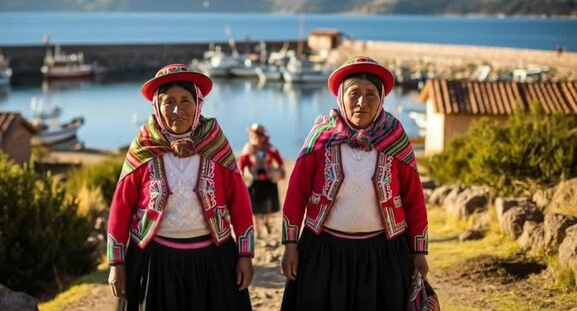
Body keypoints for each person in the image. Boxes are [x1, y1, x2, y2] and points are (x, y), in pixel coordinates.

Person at [280, 56, 429, 310]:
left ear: (381, 99)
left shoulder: (395, 138)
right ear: (341, 97)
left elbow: (413, 199)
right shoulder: (321, 136)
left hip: (383, 254)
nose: (362, 102)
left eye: (371, 94)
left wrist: (419, 251)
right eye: (354, 93)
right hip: (324, 252)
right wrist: (290, 245)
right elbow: (296, 194)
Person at [107, 64, 254, 311]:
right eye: (168, 102)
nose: (178, 110)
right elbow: (121, 208)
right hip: (154, 262)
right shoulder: (144, 147)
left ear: (198, 104)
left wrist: (245, 255)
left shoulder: (215, 144)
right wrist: (116, 263)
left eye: (186, 100)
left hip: (213, 260)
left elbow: (239, 202)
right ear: (157, 106)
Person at [238, 123, 286, 238]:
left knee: (268, 205)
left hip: (268, 180)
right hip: (253, 181)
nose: (258, 138)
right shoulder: (248, 149)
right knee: (254, 209)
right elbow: (241, 163)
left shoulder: (269, 148)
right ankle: (257, 231)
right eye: (255, 135)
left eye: (260, 135)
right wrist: (242, 176)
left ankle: (266, 221)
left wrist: (279, 171)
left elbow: (279, 161)